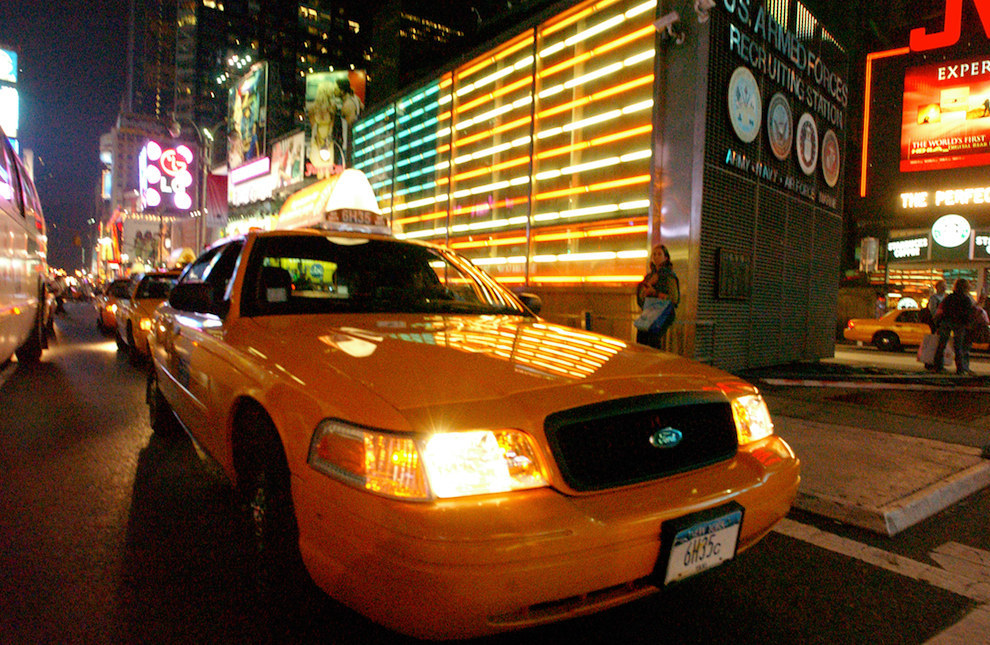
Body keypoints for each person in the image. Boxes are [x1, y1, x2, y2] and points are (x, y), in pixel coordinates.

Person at [635, 243, 679, 349]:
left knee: (653, 338)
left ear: (666, 257)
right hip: (651, 311)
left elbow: (674, 298)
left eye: (659, 254)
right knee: (641, 336)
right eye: (654, 254)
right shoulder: (650, 276)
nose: (656, 257)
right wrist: (647, 288)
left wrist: (655, 293)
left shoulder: (669, 276)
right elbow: (640, 296)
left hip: (664, 311)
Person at [932, 278, 976, 375]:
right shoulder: (966, 299)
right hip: (959, 324)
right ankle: (960, 369)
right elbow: (968, 314)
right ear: (966, 287)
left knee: (941, 345)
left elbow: (943, 309)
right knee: (958, 346)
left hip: (946, 322)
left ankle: (937, 366)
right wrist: (967, 324)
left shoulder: (949, 297)